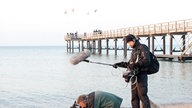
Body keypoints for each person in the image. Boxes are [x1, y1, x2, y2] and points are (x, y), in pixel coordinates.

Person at [113, 34, 151, 108]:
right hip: (133, 76)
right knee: (134, 98)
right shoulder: (134, 51)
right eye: (128, 43)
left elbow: (147, 60)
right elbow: (129, 64)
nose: (129, 44)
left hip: (141, 76)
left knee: (143, 96)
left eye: (130, 42)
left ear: (134, 40)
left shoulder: (143, 47)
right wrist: (118, 64)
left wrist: (136, 64)